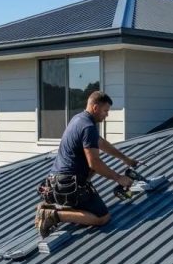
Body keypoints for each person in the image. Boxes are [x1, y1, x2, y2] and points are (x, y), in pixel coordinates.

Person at [35, 91, 140, 238]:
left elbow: (101, 143)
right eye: (105, 111)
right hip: (68, 185)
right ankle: (52, 214)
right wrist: (119, 178)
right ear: (95, 108)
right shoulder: (88, 127)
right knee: (102, 217)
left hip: (56, 181)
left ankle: (55, 205)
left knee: (92, 166)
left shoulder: (78, 119)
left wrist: (125, 159)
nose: (106, 115)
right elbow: (94, 162)